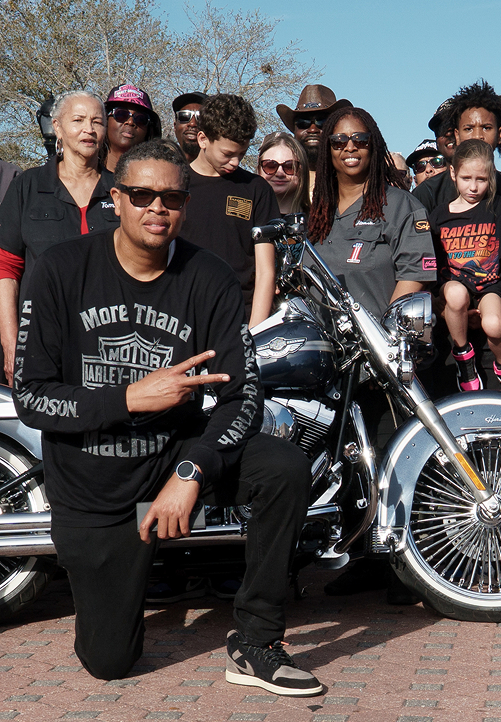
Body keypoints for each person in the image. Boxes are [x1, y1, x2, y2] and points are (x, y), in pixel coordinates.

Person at [12, 138, 319, 693]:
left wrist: (192, 471)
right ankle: (135, 554)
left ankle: (255, 640)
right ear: (117, 199)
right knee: (109, 661)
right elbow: (33, 397)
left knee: (282, 467)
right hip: (92, 484)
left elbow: (242, 395)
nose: (157, 208)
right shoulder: (61, 268)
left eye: (171, 198)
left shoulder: (212, 276)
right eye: (142, 195)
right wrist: (130, 398)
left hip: (173, 456)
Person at [0, 90, 120, 383]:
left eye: (97, 121)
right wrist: (11, 341)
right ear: (57, 127)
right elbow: (7, 269)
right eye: (78, 120)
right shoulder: (26, 187)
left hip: (109, 342)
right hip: (41, 339)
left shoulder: (121, 191)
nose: (88, 129)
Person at [307, 106, 437, 318]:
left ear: (373, 146)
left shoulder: (402, 206)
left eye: (360, 140)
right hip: (320, 345)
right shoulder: (318, 213)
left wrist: (385, 332)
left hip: (377, 343)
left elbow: (415, 276)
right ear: (328, 149)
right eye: (339, 141)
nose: (349, 147)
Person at [430, 140, 501, 395]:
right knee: (457, 294)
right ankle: (463, 357)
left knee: (494, 324)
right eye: (466, 178)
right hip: (455, 285)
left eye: (481, 179)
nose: (473, 186)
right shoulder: (439, 216)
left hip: (491, 285)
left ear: (492, 175)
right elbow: (431, 263)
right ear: (452, 173)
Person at [183, 94, 278, 328]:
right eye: (227, 154)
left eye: (242, 154)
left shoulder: (257, 190)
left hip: (238, 321)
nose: (235, 162)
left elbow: (266, 271)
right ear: (203, 139)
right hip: (181, 320)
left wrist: (255, 333)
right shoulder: (175, 184)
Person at [413, 80, 501, 210]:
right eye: (468, 129)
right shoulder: (427, 194)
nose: (477, 136)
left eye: (486, 128)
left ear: (499, 134)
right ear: (457, 135)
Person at [277, 84, 352, 193]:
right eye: (303, 123)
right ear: (294, 130)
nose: (312, 129)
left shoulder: (354, 180)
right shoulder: (278, 178)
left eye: (322, 122)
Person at [103, 84, 161, 172]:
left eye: (141, 118)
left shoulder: (155, 180)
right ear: (105, 120)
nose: (130, 122)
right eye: (121, 114)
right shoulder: (82, 172)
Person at [257, 132, 310, 215]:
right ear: (259, 169)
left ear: (302, 170)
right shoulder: (247, 219)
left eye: (289, 167)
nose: (280, 173)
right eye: (270, 166)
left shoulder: (318, 220)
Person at [172, 92, 207, 163]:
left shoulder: (224, 171)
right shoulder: (162, 167)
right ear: (175, 126)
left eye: (201, 118)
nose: (192, 123)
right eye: (184, 116)